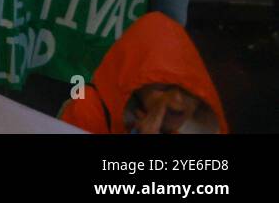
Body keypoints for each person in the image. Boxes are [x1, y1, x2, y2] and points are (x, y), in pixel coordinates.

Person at [59, 12, 227, 134]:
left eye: (187, 89)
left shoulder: (198, 127)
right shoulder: (86, 111)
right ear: (135, 85)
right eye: (162, 87)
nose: (176, 100)